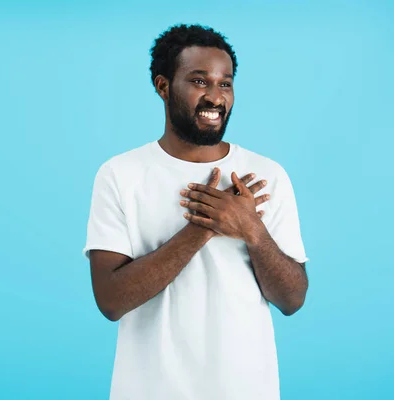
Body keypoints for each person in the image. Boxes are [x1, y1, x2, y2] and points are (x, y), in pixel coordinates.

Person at [82, 24, 309, 400]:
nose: (215, 97)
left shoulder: (268, 175)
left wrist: (251, 228)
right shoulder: (120, 174)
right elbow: (111, 300)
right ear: (163, 86)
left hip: (247, 389)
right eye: (199, 81)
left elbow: (293, 300)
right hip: (148, 390)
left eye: (225, 83)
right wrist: (203, 228)